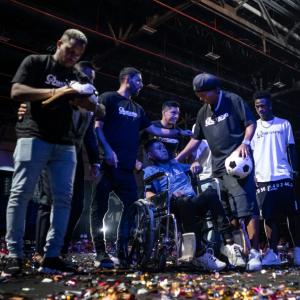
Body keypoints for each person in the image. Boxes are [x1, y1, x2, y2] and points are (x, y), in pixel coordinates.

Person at [1, 29, 96, 276]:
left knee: (63, 200)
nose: (72, 57)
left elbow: (96, 107)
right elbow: (17, 92)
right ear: (59, 44)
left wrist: (85, 99)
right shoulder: (36, 63)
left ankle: (52, 256)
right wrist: (57, 92)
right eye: (69, 50)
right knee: (20, 194)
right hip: (33, 136)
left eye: (77, 54)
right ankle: (14, 255)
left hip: (65, 144)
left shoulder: (76, 75)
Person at [90, 67, 192, 269]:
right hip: (107, 166)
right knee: (98, 209)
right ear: (127, 79)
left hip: (126, 170)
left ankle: (121, 252)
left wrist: (180, 133)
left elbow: (154, 129)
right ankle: (100, 253)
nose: (142, 84)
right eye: (139, 80)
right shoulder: (109, 98)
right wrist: (108, 151)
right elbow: (97, 128)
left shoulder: (138, 109)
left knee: (133, 210)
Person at [176, 73, 262, 271]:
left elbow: (250, 123)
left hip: (238, 164)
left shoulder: (233, 100)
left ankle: (255, 252)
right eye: (198, 94)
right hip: (218, 168)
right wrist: (177, 159)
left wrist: (245, 143)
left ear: (216, 90)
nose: (200, 98)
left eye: (204, 94)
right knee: (228, 211)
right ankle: (239, 251)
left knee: (246, 207)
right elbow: (195, 140)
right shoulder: (202, 113)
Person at [31, 61, 102, 265]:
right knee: (48, 202)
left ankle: (58, 250)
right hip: (52, 151)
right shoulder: (60, 92)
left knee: (77, 204)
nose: (89, 81)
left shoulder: (89, 101)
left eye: (92, 79)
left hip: (74, 155)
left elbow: (89, 133)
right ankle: (39, 250)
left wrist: (95, 161)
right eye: (86, 77)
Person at [143, 140, 246, 271]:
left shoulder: (177, 165)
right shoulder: (150, 171)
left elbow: (198, 168)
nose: (163, 149)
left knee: (211, 193)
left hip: (193, 203)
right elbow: (149, 195)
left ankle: (229, 244)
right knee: (184, 201)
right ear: (150, 155)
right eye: (158, 148)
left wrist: (196, 164)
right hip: (173, 207)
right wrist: (170, 195)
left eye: (163, 147)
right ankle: (198, 252)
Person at [251, 90, 300, 266]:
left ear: (270, 105)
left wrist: (294, 170)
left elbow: (291, 148)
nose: (260, 109)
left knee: (292, 214)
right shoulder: (253, 127)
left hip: (283, 174)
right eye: (257, 106)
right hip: (263, 177)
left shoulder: (283, 124)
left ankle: (297, 251)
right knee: (269, 217)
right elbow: (249, 153)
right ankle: (271, 252)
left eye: (263, 105)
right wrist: (253, 174)